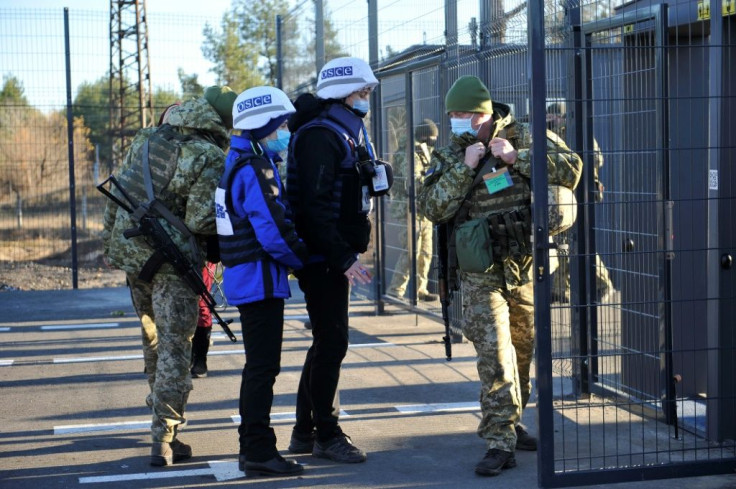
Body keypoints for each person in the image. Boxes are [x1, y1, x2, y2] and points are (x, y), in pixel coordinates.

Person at [417, 76, 582, 477]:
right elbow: (431, 208)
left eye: (462, 114)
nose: (456, 121)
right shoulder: (449, 154)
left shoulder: (525, 135)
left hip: (525, 264)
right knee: (495, 355)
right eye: (452, 115)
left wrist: (516, 159)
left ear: (483, 114)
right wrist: (466, 167)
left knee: (523, 349)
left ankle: (512, 421)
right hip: (480, 270)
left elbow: (572, 170)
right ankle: (498, 441)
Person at [102, 85, 237, 467]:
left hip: (132, 256)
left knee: (153, 343)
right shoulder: (209, 155)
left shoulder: (146, 138)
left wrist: (112, 246)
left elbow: (117, 194)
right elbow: (200, 219)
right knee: (177, 350)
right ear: (224, 123)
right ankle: (164, 437)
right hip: (172, 266)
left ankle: (164, 430)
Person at [284, 56, 382, 464]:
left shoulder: (342, 131)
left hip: (332, 253)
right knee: (333, 342)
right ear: (344, 92)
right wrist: (342, 257)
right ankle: (326, 432)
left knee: (327, 340)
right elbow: (313, 205)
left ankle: (305, 432)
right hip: (323, 256)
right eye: (363, 91)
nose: (367, 98)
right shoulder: (320, 136)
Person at [216, 86, 309, 477]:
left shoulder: (237, 159)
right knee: (262, 368)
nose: (284, 131)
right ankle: (257, 449)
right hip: (259, 281)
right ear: (263, 124)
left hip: (246, 278)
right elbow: (271, 230)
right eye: (280, 125)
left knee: (259, 366)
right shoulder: (255, 167)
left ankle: (254, 447)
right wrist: (302, 261)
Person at [546, 102, 615, 303]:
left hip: (579, 196)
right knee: (563, 244)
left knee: (580, 244)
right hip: (563, 197)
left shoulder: (575, 133)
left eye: (552, 117)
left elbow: (596, 158)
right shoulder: (552, 135)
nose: (549, 120)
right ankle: (561, 289)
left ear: (561, 117)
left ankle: (603, 285)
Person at [387, 119, 439, 302]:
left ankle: (420, 289)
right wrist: (434, 181)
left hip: (422, 208)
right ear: (424, 135)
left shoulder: (422, 151)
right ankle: (396, 290)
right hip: (409, 208)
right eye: (432, 137)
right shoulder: (410, 153)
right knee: (411, 250)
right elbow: (414, 181)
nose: (434, 141)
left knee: (426, 251)